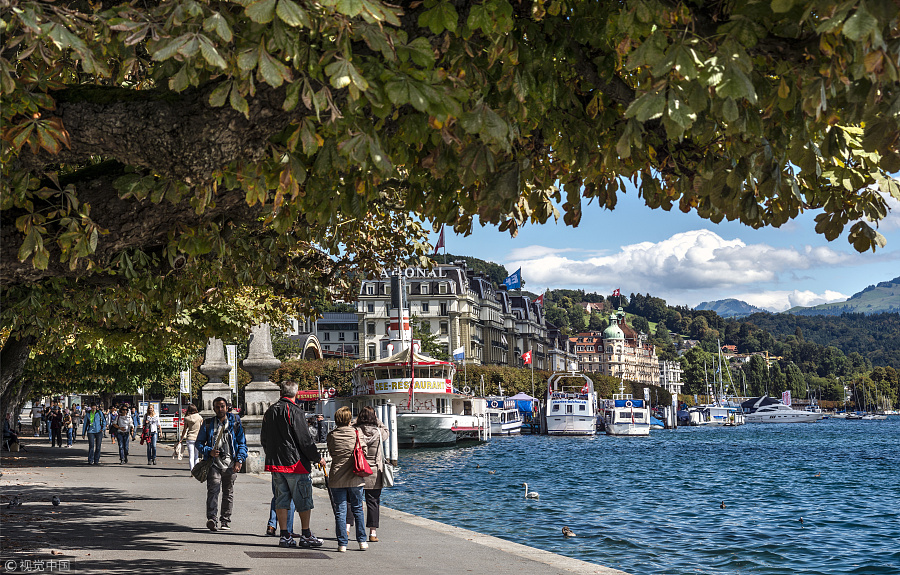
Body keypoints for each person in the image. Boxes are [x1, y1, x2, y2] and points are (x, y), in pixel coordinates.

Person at [260, 381, 326, 548]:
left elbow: (264, 438)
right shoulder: (295, 410)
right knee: (304, 499)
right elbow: (304, 439)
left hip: (276, 463)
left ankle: (285, 535)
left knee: (281, 499)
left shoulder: (270, 411)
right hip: (295, 463)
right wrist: (317, 457)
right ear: (296, 393)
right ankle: (306, 534)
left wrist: (271, 454)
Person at [197, 397, 247, 532]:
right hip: (214, 464)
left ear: (227, 407)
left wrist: (239, 460)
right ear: (214, 409)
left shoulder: (235, 422)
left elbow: (242, 443)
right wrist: (209, 451)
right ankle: (212, 518)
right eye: (217, 407)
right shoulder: (208, 424)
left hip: (231, 464)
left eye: (222, 406)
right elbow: (199, 443)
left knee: (228, 493)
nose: (220, 409)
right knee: (213, 491)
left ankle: (225, 520)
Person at [327, 406, 367, 552]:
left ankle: (342, 543)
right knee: (358, 509)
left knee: (340, 511)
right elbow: (365, 452)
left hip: (337, 476)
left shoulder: (331, 435)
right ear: (349, 420)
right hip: (355, 475)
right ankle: (362, 541)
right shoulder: (357, 434)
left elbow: (331, 453)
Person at [349, 405, 389, 542]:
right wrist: (377, 420)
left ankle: (347, 528)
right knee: (373, 502)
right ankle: (372, 533)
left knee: (353, 500)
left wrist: (357, 420)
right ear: (374, 417)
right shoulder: (379, 432)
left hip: (358, 469)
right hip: (374, 471)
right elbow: (387, 432)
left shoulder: (355, 431)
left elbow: (350, 426)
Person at [179, 404, 204, 470]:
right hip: (198, 437)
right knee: (196, 456)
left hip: (190, 438)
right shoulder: (199, 417)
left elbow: (185, 429)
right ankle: (196, 470)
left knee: (191, 456)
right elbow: (202, 427)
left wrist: (181, 438)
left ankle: (192, 471)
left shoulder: (187, 418)